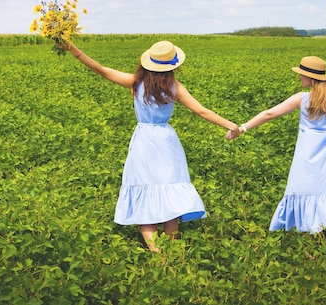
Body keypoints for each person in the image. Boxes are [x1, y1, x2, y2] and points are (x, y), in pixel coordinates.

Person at [58, 40, 241, 252]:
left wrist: (72, 48)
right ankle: (170, 252)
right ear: (173, 66)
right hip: (166, 141)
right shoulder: (176, 87)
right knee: (169, 193)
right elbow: (202, 111)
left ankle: (157, 253)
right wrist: (232, 126)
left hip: (143, 141)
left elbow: (101, 69)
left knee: (144, 194)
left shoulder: (136, 82)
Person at [227, 16, 326, 254]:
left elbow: (269, 113)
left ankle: (308, 254)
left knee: (306, 197)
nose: (299, 77)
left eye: (302, 74)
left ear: (310, 77)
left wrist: (242, 128)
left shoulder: (302, 98)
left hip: (307, 160)